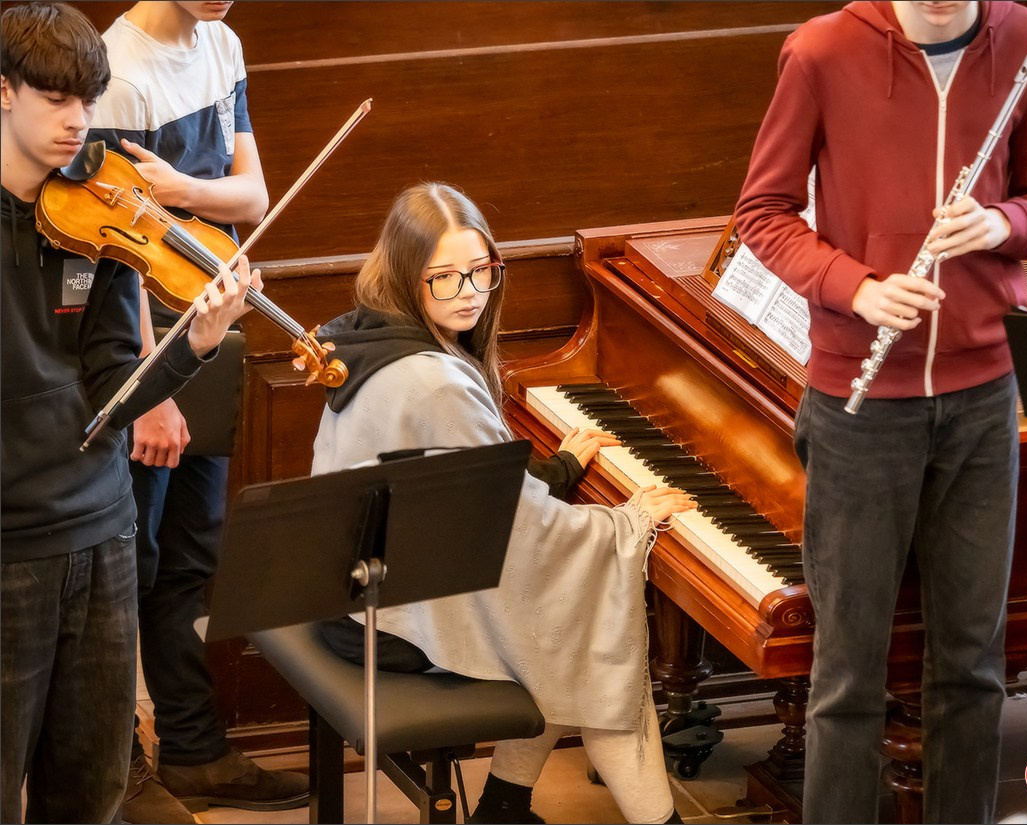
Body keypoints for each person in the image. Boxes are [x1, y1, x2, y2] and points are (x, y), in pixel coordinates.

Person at [733, 2, 1027, 823]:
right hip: (859, 405)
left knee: (972, 666)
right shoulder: (820, 51)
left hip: (986, 396)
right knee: (848, 676)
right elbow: (763, 213)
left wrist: (1001, 222)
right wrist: (858, 287)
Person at [311, 182, 696, 824]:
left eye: (480, 272)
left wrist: (561, 467)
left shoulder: (366, 335)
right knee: (587, 613)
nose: (467, 293)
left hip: (358, 590)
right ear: (409, 277)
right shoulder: (434, 379)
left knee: (557, 610)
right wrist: (626, 524)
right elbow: (525, 529)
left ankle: (504, 804)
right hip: (387, 622)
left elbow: (468, 483)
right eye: (445, 278)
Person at [0, 3, 259, 823]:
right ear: (3, 93)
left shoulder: (96, 211)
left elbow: (117, 378)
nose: (80, 125)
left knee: (93, 790)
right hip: (11, 547)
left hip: (103, 529)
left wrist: (195, 346)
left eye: (88, 102)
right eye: (57, 102)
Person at [86, 2, 308, 820]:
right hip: (148, 352)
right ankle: (120, 765)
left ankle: (192, 748)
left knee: (188, 559)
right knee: (129, 568)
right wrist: (154, 389)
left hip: (212, 321)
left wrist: (183, 189)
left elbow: (252, 196)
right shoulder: (117, 72)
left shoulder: (223, 42)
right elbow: (117, 247)